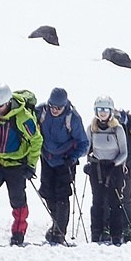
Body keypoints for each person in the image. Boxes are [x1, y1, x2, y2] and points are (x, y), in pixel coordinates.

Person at [0, 85, 43, 247]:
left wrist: (31, 165)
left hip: (17, 164)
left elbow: (36, 140)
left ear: (8, 102)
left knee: (17, 199)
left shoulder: (23, 117)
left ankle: (18, 232)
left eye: (0, 107)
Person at [84, 98, 131, 245]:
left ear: (110, 111)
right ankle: (96, 232)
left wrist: (114, 164)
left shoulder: (118, 129)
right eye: (99, 110)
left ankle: (116, 234)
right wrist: (88, 161)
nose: (102, 113)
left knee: (114, 201)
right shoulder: (91, 128)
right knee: (97, 201)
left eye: (105, 110)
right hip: (97, 168)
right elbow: (86, 148)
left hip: (114, 169)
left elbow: (124, 152)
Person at [36, 87, 88, 243]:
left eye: (58, 107)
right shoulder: (42, 111)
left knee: (62, 195)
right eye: (52, 106)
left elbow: (84, 143)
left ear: (65, 105)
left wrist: (72, 158)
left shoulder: (73, 118)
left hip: (65, 161)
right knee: (47, 192)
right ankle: (55, 224)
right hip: (47, 158)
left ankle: (59, 232)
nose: (54, 110)